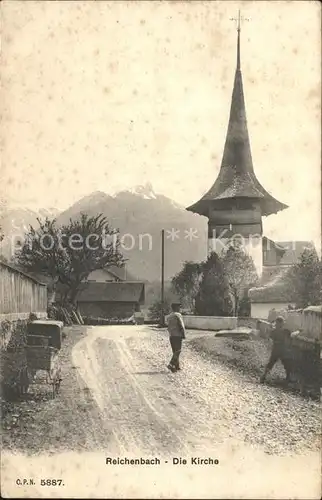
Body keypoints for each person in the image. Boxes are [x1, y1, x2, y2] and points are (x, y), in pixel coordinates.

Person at [260, 316, 292, 383]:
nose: (283, 324)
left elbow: (270, 338)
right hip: (282, 349)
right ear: (281, 323)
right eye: (282, 322)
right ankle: (288, 378)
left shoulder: (274, 331)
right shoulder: (285, 331)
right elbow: (289, 338)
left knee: (272, 363)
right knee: (286, 363)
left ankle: (263, 377)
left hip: (276, 348)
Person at [167, 303, 186, 372]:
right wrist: (183, 334)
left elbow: (168, 326)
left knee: (175, 351)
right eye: (179, 307)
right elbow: (181, 325)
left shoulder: (169, 316)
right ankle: (171, 364)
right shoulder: (178, 315)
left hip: (171, 335)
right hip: (177, 335)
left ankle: (176, 367)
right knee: (178, 351)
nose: (180, 309)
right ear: (176, 308)